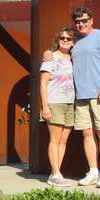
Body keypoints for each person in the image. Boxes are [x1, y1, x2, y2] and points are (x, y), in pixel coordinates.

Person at [45, 7, 100, 188]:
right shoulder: (75, 42)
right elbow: (61, 53)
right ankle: (93, 171)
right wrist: (47, 54)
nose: (81, 24)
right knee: (87, 133)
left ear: (91, 20)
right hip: (81, 96)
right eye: (78, 22)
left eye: (84, 20)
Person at [39, 27, 77, 187]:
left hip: (70, 103)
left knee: (63, 141)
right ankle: (55, 174)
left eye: (69, 39)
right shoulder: (51, 58)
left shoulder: (74, 58)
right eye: (63, 38)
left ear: (73, 42)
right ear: (58, 40)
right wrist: (45, 107)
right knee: (54, 139)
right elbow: (43, 83)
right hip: (55, 102)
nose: (65, 41)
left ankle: (56, 173)